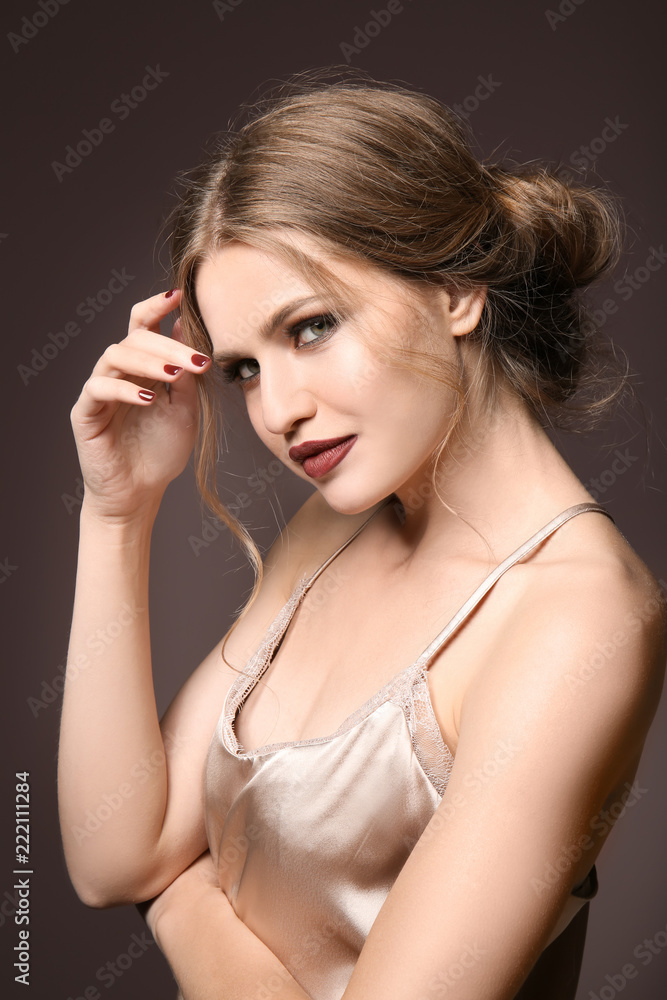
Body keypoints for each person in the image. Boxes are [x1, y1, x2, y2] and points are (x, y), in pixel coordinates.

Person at [58, 67, 666, 1000]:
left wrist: (182, 901)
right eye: (243, 369)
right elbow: (114, 856)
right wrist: (117, 512)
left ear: (456, 291)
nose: (278, 412)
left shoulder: (578, 619)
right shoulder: (331, 528)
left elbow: (152, 877)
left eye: (310, 328)